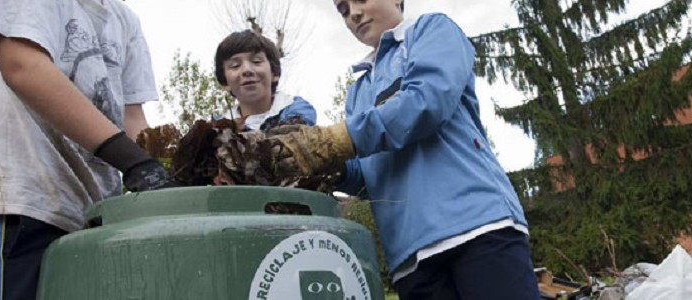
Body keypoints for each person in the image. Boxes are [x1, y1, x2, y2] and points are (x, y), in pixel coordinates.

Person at [266, 0, 540, 298]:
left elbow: (427, 101)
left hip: (476, 228)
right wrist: (327, 162)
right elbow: (370, 176)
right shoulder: (357, 92)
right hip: (410, 259)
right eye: (343, 9)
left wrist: (337, 139)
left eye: (360, 0)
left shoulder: (431, 30)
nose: (353, 13)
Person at [0, 0, 177, 298]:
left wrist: (173, 180)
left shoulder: (124, 19)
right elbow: (22, 65)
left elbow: (131, 117)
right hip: (19, 203)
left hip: (94, 220)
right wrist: (134, 163)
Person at [213, 30, 316, 133]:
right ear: (225, 82)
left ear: (274, 73)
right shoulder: (217, 129)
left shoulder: (298, 109)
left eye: (256, 61)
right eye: (235, 65)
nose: (246, 70)